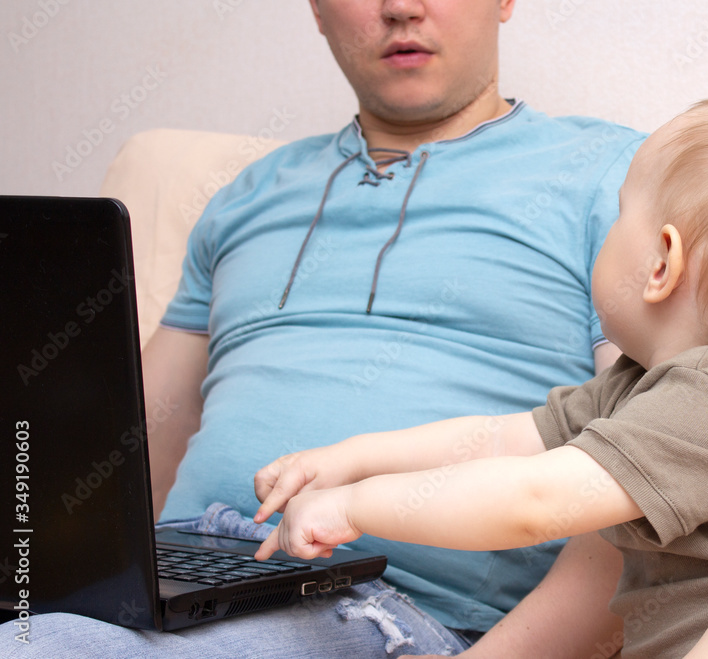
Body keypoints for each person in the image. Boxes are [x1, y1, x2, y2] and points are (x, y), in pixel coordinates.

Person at [0, 0, 646, 656]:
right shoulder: (247, 195)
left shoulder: (616, 177)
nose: (400, 7)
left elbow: (644, 469)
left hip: (385, 605)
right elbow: (125, 459)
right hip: (177, 576)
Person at [252, 97, 708, 658]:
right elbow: (497, 440)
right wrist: (348, 458)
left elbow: (530, 499)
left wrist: (355, 506)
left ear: (660, 264)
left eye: (618, 215)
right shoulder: (640, 389)